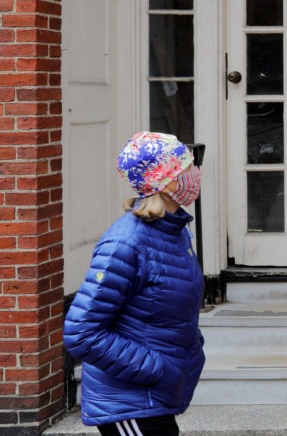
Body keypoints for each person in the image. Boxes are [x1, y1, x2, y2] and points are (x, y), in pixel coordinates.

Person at [63, 132, 206, 436]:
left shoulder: (173, 229)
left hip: (154, 399)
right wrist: (156, 369)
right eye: (188, 166)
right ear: (165, 182)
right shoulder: (126, 244)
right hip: (129, 404)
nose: (196, 174)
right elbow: (81, 332)